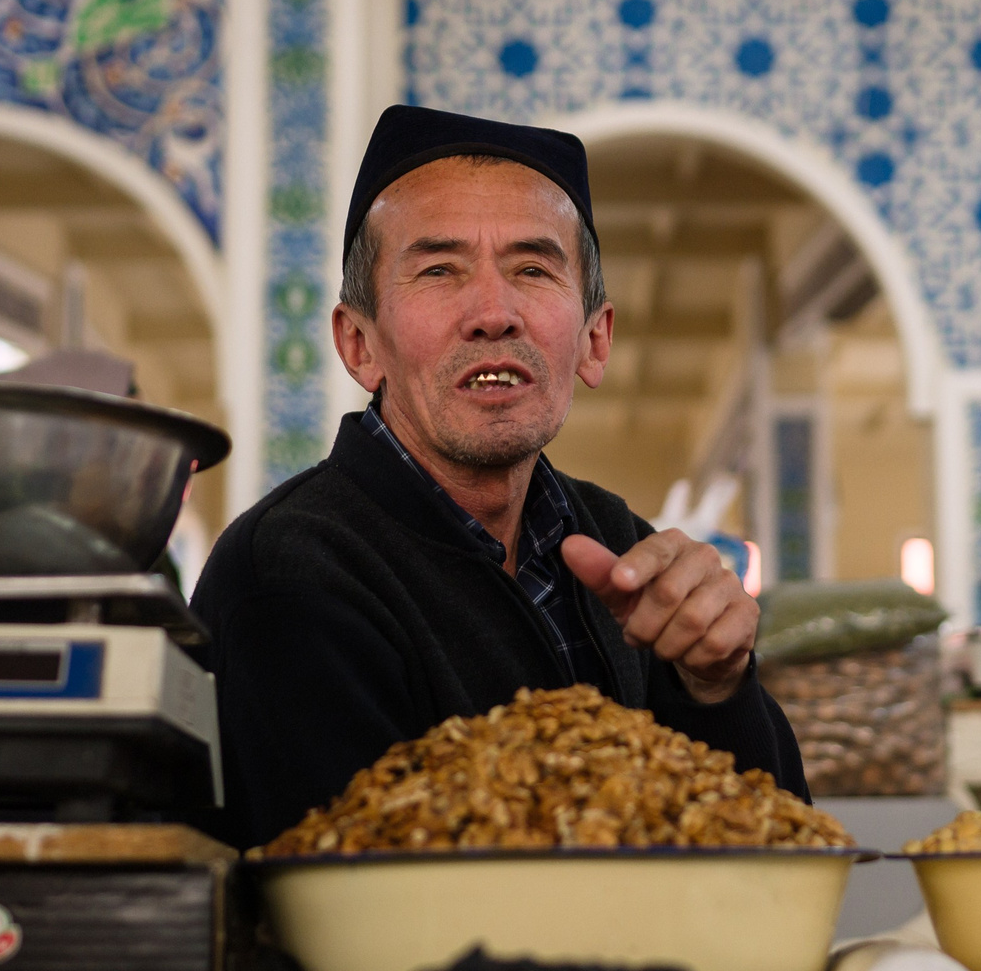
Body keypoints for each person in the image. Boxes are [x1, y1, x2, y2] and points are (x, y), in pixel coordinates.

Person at [190, 104, 808, 848]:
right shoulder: (292, 574)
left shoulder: (615, 543)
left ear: (594, 339)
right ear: (360, 344)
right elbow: (352, 920)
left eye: (532, 268)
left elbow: (774, 850)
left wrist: (716, 685)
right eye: (439, 269)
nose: (492, 312)